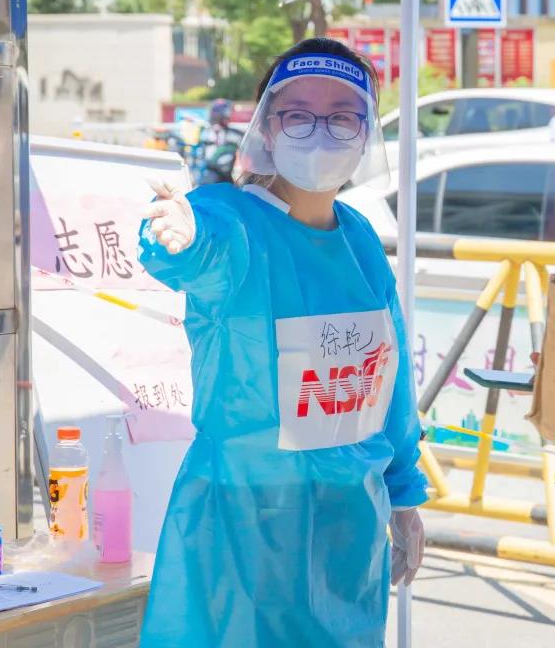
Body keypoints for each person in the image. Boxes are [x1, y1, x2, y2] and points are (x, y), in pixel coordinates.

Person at [136, 37, 428, 648]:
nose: (320, 133)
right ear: (267, 126)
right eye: (298, 115)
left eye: (343, 117)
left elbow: (389, 379)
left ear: (366, 133)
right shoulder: (236, 221)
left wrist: (404, 494)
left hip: (349, 529)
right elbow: (200, 249)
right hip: (245, 530)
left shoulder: (360, 239)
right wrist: (182, 239)